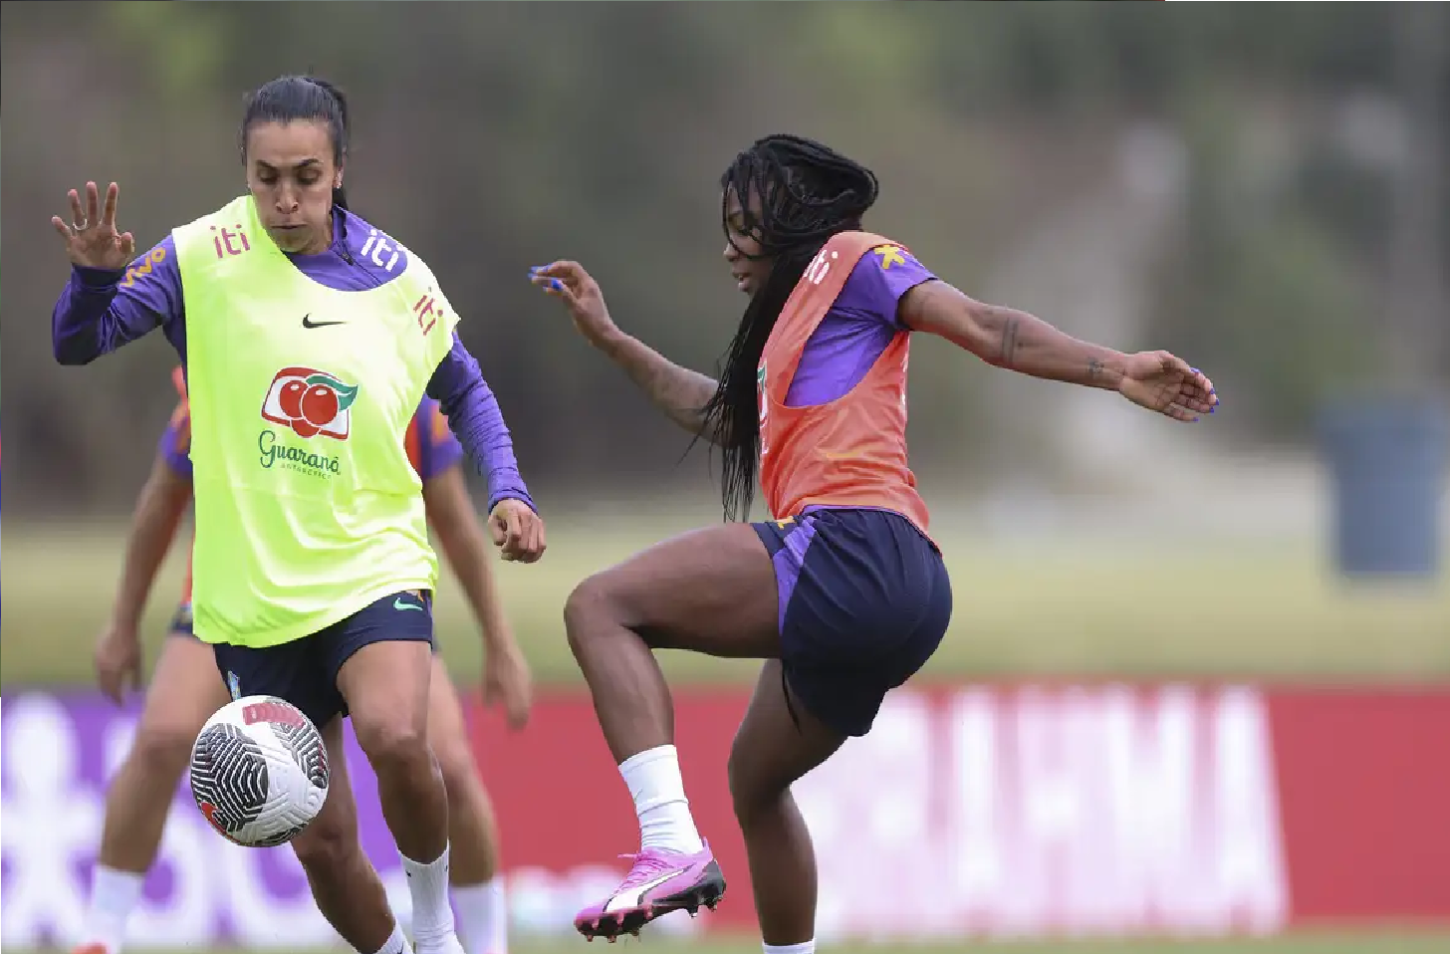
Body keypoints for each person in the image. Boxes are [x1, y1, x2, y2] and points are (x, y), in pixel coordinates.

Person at [530, 133, 1218, 949]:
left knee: (599, 606)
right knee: (755, 782)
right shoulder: (789, 329)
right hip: (903, 590)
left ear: (788, 220)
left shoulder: (855, 258)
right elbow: (717, 418)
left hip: (854, 548)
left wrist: (1115, 371)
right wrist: (613, 340)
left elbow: (986, 327)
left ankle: (671, 847)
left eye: (743, 224)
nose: (728, 247)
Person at [51, 74, 546, 954]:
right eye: (266, 176)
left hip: (372, 567)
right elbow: (79, 342)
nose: (285, 198)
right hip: (253, 605)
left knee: (399, 737)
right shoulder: (199, 255)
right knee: (321, 843)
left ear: (340, 170)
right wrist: (91, 284)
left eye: (306, 177)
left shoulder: (398, 278)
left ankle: (436, 931)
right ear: (243, 170)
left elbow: (466, 389)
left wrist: (509, 487)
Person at [73, 368, 529, 954]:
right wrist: (121, 625)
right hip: (242, 600)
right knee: (165, 737)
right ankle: (101, 935)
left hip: (371, 594)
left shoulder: (396, 380)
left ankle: (485, 944)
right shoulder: (228, 370)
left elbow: (456, 523)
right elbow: (161, 502)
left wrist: (500, 640)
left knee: (445, 762)